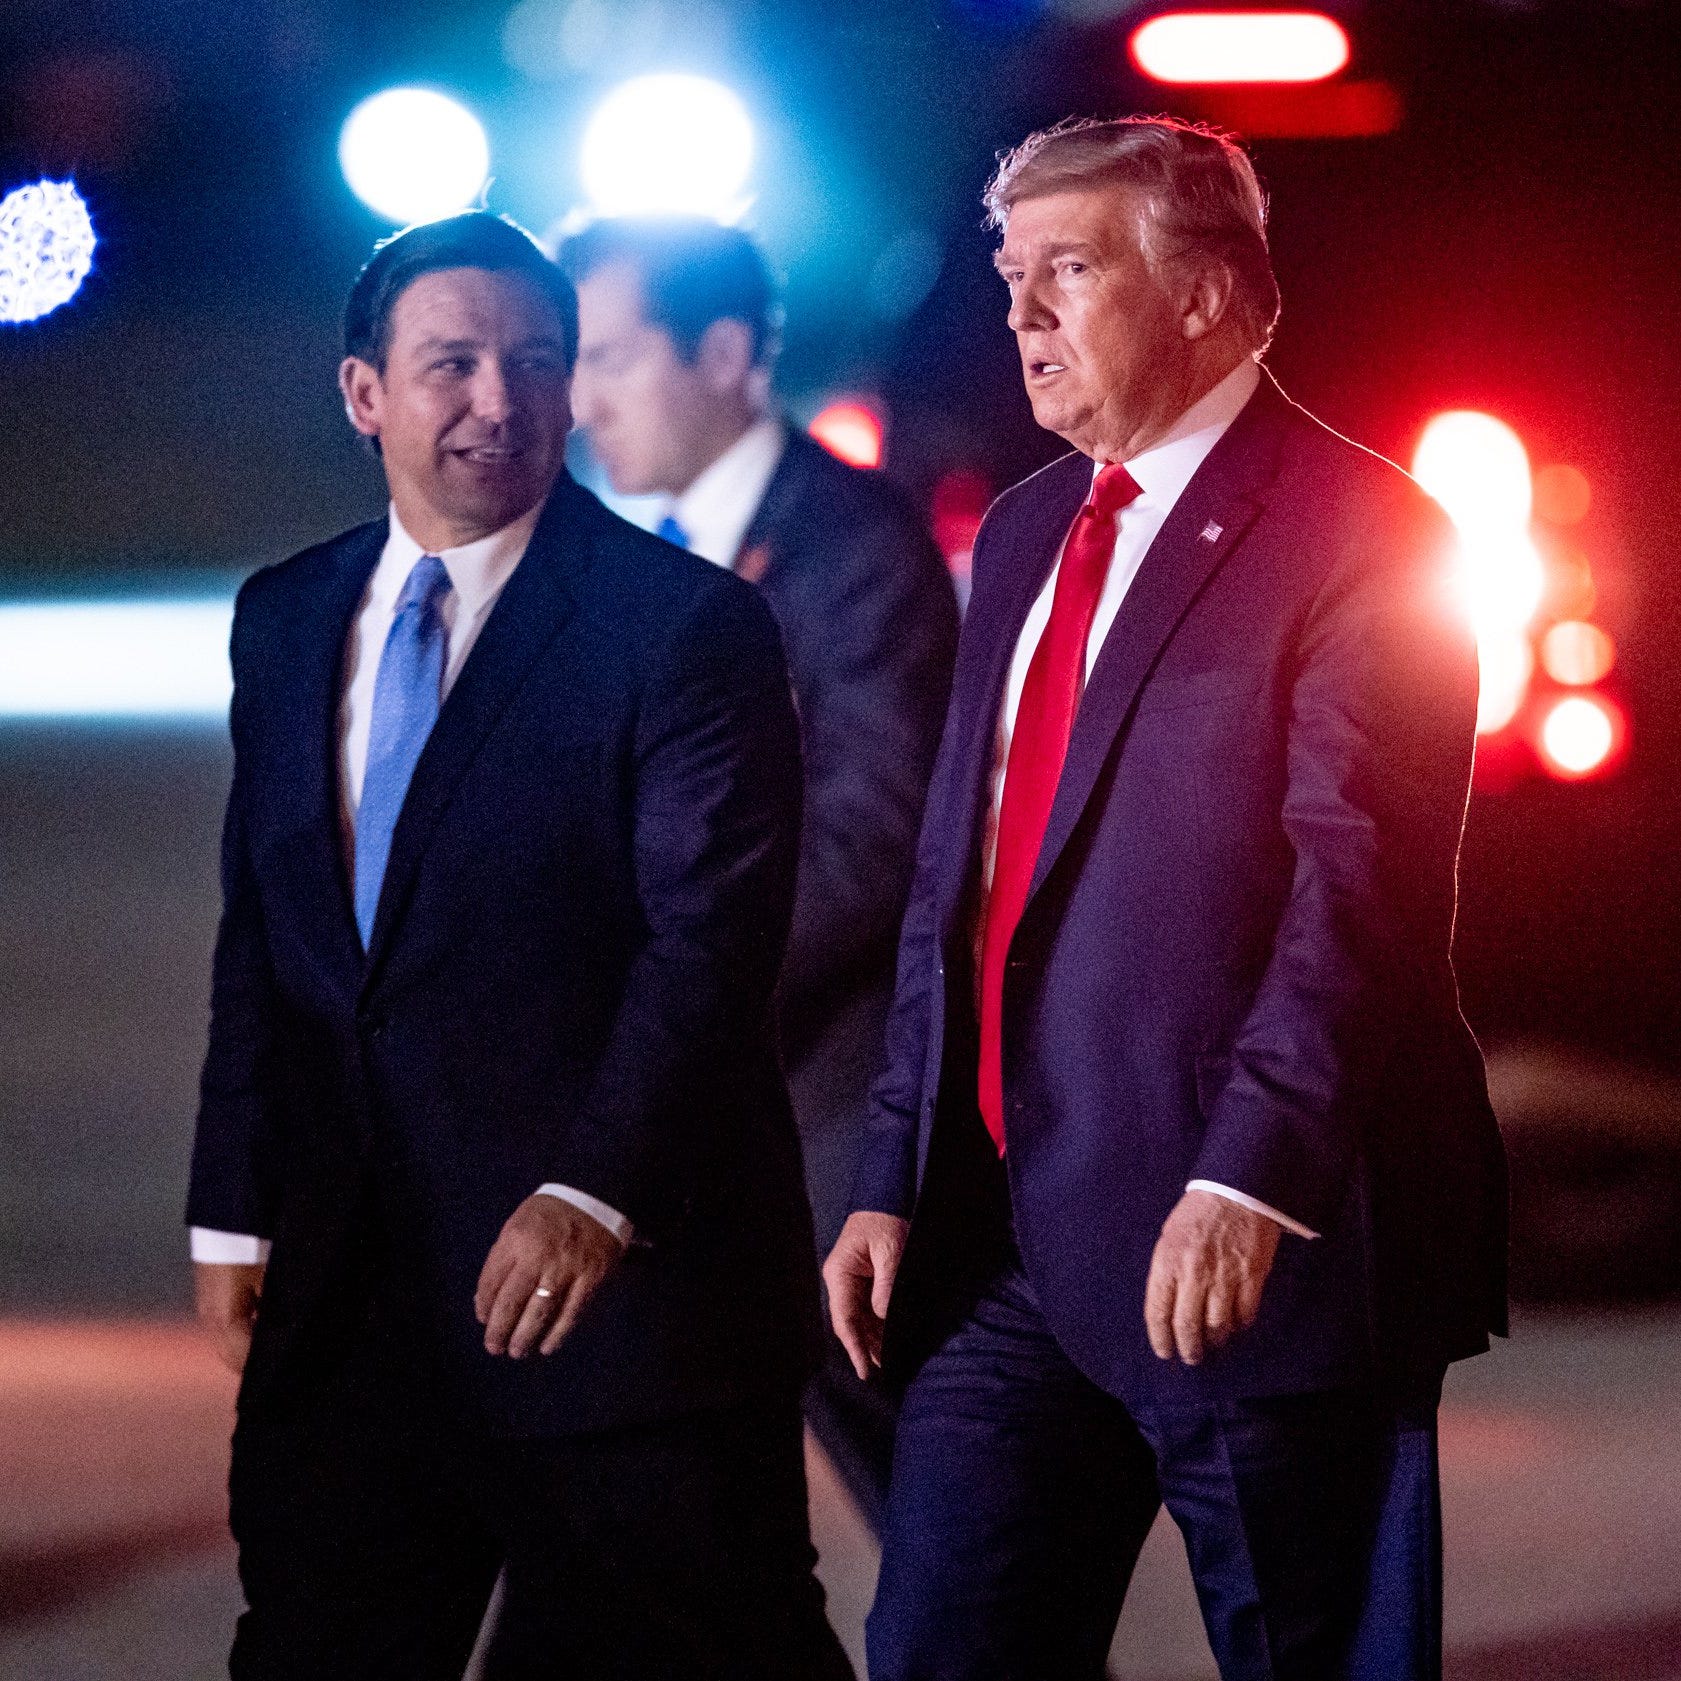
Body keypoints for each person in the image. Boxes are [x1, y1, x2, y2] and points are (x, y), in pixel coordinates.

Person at [824, 117, 1509, 1679]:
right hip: (1005, 1243)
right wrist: (891, 1168)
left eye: (1066, 271)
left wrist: (1249, 1178)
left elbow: (1362, 891)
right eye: (1009, 278)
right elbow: (960, 877)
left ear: (1204, 296)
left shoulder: (1368, 533)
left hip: (1249, 1247)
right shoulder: (1017, 535)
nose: (1020, 318)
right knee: (939, 1645)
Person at [186, 210, 853, 1681]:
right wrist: (232, 1205)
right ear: (363, 393)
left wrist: (592, 1187)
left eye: (536, 362)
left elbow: (707, 940)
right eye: (454, 363)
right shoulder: (287, 620)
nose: (501, 398)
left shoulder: (683, 627)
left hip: (619, 1320)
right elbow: (269, 934)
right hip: (355, 1307)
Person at [559, 216, 958, 1521]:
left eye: (610, 354)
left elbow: (873, 829)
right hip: (686, 1112)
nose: (580, 396)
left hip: (823, 1109)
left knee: (940, 1522)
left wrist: (676, 998)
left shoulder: (851, 546)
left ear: (725, 352)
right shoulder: (625, 563)